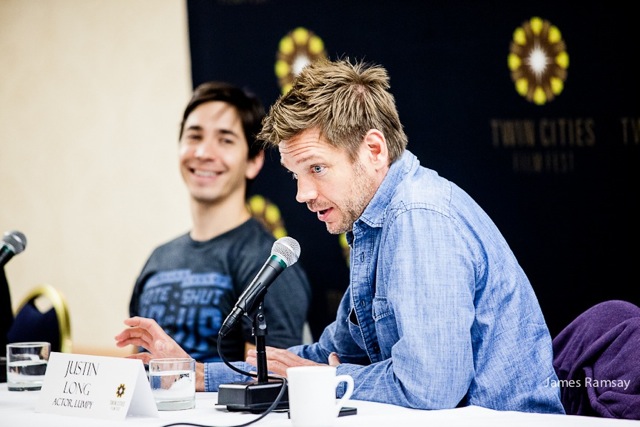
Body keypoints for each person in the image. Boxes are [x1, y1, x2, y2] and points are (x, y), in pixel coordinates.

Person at [116, 59, 564, 413]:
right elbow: (322, 354)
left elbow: (430, 387)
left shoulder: (418, 216)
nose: (302, 194)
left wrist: (323, 377)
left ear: (373, 150)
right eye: (295, 175)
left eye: (316, 169)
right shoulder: (372, 225)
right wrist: (195, 374)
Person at [127, 81, 311, 363]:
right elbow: (137, 358)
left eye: (225, 140)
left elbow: (268, 378)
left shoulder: (268, 263)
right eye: (194, 136)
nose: (203, 153)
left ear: (253, 161)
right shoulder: (159, 257)